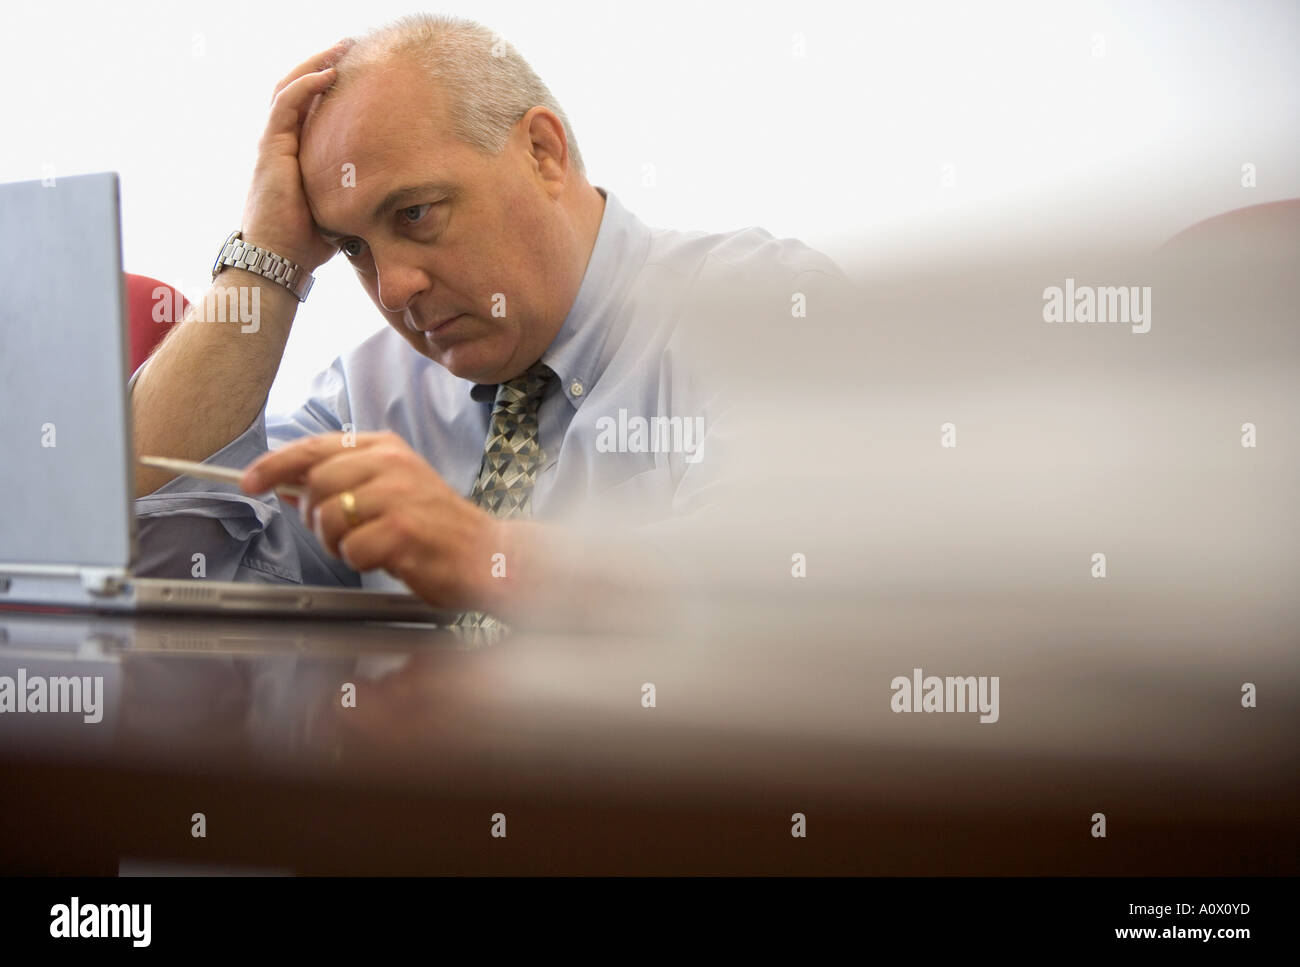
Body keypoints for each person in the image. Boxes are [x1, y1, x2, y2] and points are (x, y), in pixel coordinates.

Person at [130, 14, 849, 633]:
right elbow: (160, 579)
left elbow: (801, 585)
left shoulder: (761, 306)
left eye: (415, 213)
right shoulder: (368, 394)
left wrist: (487, 557)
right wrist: (266, 258)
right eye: (353, 248)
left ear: (543, 152)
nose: (393, 286)